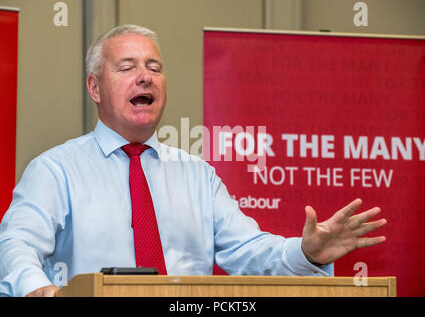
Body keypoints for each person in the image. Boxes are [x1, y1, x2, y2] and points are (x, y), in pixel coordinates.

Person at [0, 24, 387, 297]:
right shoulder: (55, 170)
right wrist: (38, 290)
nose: (145, 77)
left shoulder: (197, 175)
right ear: (94, 87)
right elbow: (16, 244)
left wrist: (306, 253)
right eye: (127, 67)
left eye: (154, 68)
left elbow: (248, 249)